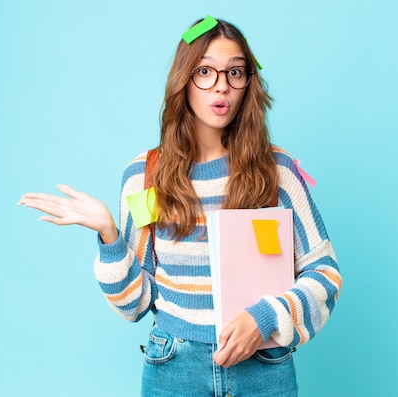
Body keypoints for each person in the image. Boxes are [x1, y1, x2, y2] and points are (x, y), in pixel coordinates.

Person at [19, 15, 342, 397]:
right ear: (183, 80)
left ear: (248, 84)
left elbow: (325, 274)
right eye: (205, 71)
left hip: (264, 368)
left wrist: (265, 317)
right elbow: (135, 305)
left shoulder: (278, 171)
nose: (221, 86)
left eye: (235, 73)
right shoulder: (145, 177)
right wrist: (109, 236)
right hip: (174, 367)